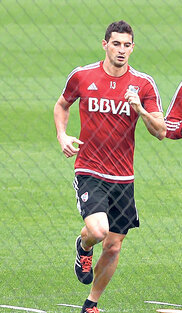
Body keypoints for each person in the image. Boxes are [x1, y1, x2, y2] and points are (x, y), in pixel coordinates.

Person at [53, 20, 166, 313]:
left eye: (127, 45)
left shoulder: (143, 84)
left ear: (132, 48)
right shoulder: (82, 75)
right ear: (105, 44)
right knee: (99, 230)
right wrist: (62, 135)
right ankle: (84, 246)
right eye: (116, 44)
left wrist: (139, 108)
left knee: (114, 247)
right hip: (90, 169)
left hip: (123, 176)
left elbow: (161, 130)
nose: (121, 50)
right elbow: (62, 105)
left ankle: (91, 303)